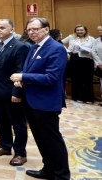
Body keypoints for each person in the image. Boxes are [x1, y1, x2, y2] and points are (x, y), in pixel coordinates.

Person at [10, 17, 70, 179]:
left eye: (35, 29)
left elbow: (51, 77)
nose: (31, 32)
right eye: (29, 30)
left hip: (46, 103)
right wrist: (22, 80)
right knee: (40, 139)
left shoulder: (56, 48)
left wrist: (23, 76)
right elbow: (31, 70)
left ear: (46, 29)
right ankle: (48, 169)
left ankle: (62, 175)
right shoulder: (34, 47)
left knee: (52, 140)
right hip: (31, 101)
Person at [0, 19, 29, 166]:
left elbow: (20, 72)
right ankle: (5, 146)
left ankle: (20, 153)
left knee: (18, 124)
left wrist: (17, 93)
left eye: (2, 28)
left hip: (12, 94)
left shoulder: (20, 47)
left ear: (12, 30)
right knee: (1, 121)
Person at [66, 24, 95, 103]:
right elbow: (70, 49)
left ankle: (89, 98)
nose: (79, 31)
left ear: (85, 31)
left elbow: (94, 49)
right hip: (76, 60)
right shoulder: (73, 39)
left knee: (88, 79)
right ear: (75, 31)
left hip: (88, 60)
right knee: (77, 79)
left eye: (81, 30)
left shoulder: (91, 39)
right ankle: (78, 97)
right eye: (77, 30)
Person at [91, 25, 102, 106]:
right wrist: (99, 63)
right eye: (99, 31)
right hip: (101, 64)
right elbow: (93, 51)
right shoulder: (96, 40)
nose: (100, 32)